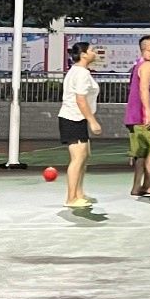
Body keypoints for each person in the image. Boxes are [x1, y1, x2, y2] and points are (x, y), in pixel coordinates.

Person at [59, 41, 102, 208]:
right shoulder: (81, 73)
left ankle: (79, 194)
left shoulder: (79, 71)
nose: (94, 52)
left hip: (78, 118)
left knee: (84, 156)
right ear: (83, 54)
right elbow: (80, 100)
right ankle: (71, 198)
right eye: (91, 50)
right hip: (73, 118)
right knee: (77, 159)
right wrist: (93, 121)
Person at [125, 35, 150, 197]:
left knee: (141, 153)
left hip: (133, 116)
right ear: (147, 48)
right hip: (142, 116)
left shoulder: (138, 65)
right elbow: (144, 89)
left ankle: (136, 187)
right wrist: (148, 113)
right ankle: (147, 185)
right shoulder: (148, 65)